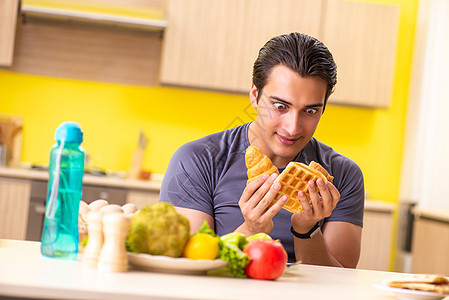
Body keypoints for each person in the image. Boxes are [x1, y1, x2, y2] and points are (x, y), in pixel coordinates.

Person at [159, 32, 364, 268]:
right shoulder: (197, 160)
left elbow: (340, 283)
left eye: (310, 111)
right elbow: (185, 267)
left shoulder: (343, 175)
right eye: (280, 106)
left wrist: (306, 231)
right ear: (255, 96)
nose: (293, 127)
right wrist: (250, 229)